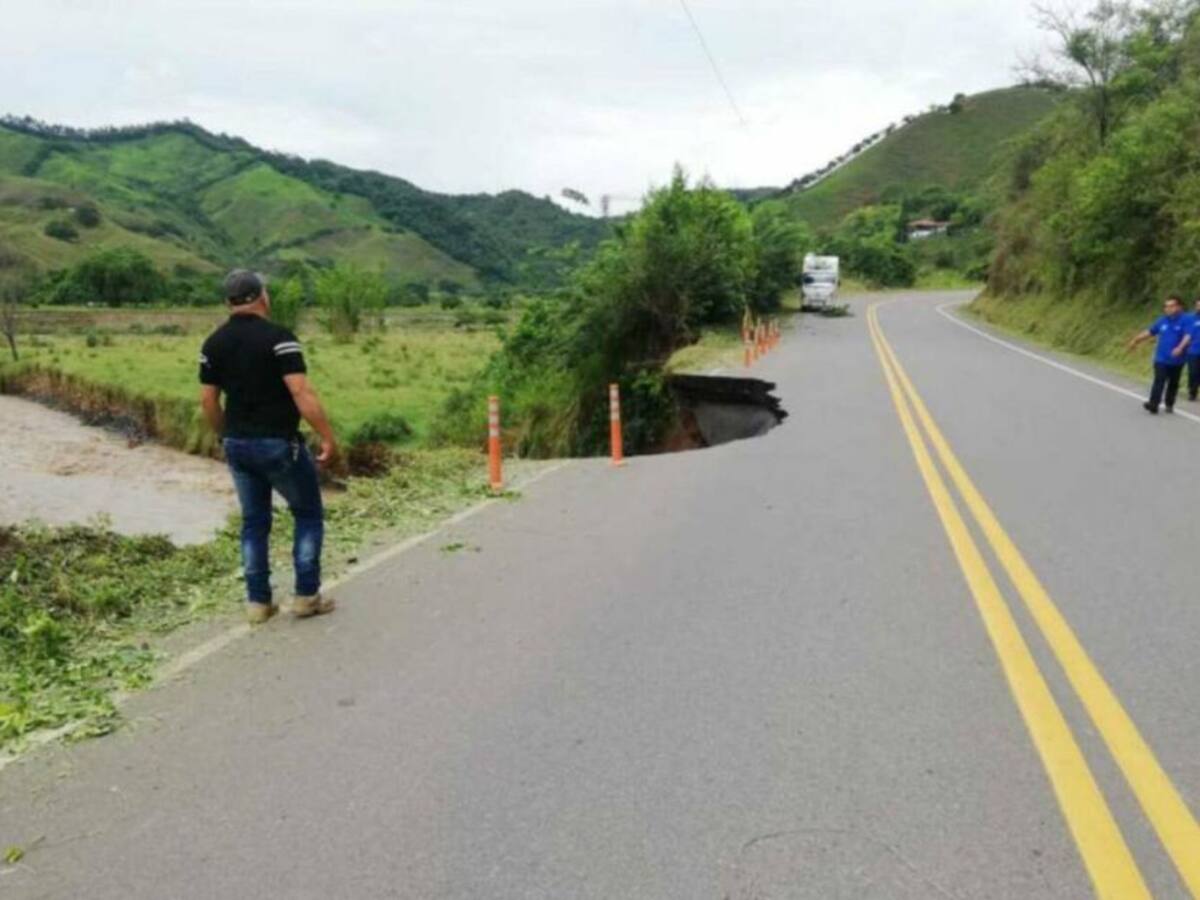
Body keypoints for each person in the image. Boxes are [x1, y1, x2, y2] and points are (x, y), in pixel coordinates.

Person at [199, 270, 338, 624]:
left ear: (228, 302)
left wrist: (223, 436)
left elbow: (209, 401)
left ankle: (258, 603)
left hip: (238, 444)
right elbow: (301, 392)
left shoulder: (213, 344)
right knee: (307, 513)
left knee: (254, 521)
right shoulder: (280, 339)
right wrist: (326, 435)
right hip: (278, 443)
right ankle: (306, 595)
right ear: (262, 296)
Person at [1128, 294, 1191, 415]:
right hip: (1161, 358)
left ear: (1179, 307)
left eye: (1171, 306)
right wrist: (1136, 340)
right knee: (1159, 380)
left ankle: (1169, 403)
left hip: (1177, 359)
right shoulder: (1162, 320)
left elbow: (1188, 336)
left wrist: (1180, 347)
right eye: (1166, 306)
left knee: (1173, 382)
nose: (1168, 309)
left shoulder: (1186, 320)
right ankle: (1153, 404)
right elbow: (1150, 332)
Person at [1187, 298, 1200, 401]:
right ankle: (1192, 392)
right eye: (1198, 305)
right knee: (1193, 372)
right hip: (1193, 351)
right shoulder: (1190, 318)